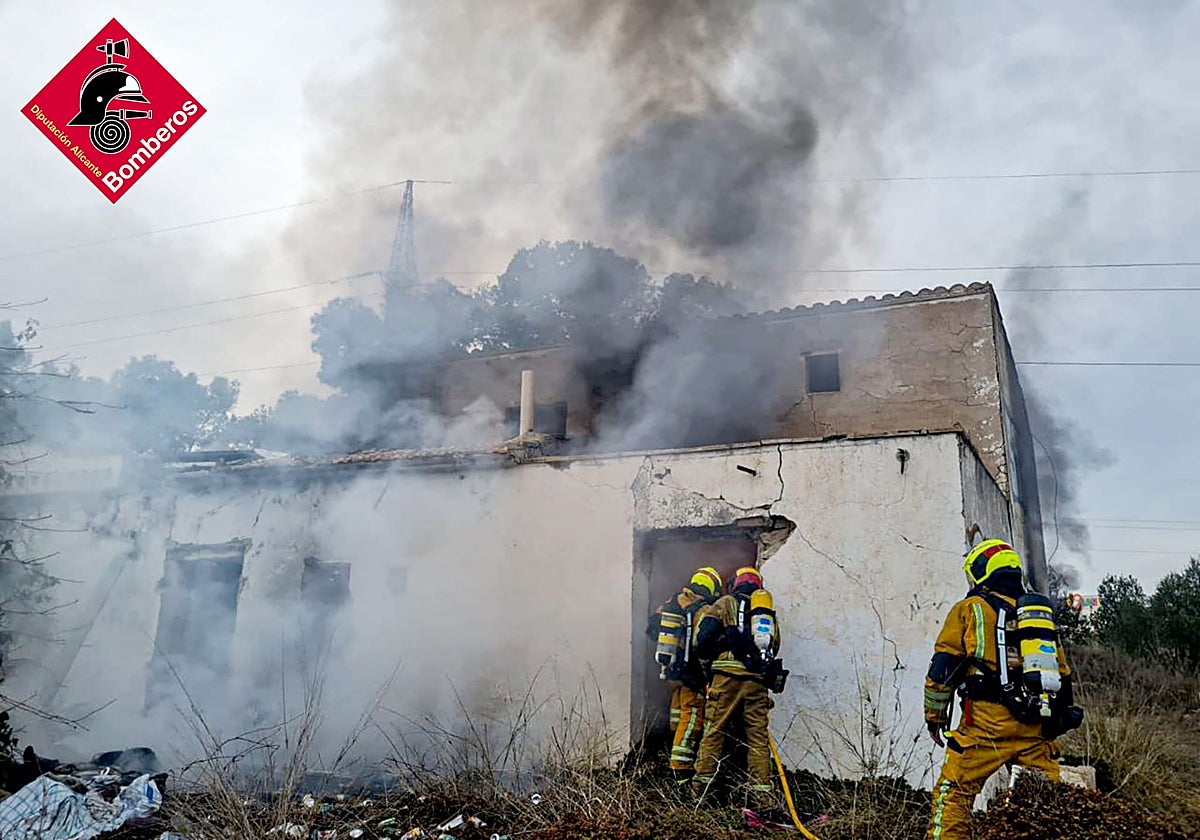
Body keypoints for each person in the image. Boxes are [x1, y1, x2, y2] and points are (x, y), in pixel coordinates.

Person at [924, 539, 1082, 840]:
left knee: (955, 794)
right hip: (1034, 728)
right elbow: (1062, 673)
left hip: (984, 727)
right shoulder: (1038, 618)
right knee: (1042, 808)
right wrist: (1055, 723)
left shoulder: (970, 609)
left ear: (981, 572)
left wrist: (935, 717)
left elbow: (942, 670)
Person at [691, 566, 782, 804]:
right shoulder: (766, 614)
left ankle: (702, 792)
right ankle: (762, 796)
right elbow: (774, 646)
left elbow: (702, 639)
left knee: (714, 731)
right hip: (756, 682)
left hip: (725, 678)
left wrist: (708, 667)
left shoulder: (724, 603)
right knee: (757, 738)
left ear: (736, 584)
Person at [650, 566, 724, 778]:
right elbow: (704, 642)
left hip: (673, 672)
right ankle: (680, 769)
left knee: (678, 713)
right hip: (691, 674)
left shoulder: (673, 602)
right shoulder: (701, 609)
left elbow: (652, 628)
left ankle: (669, 748)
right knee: (691, 718)